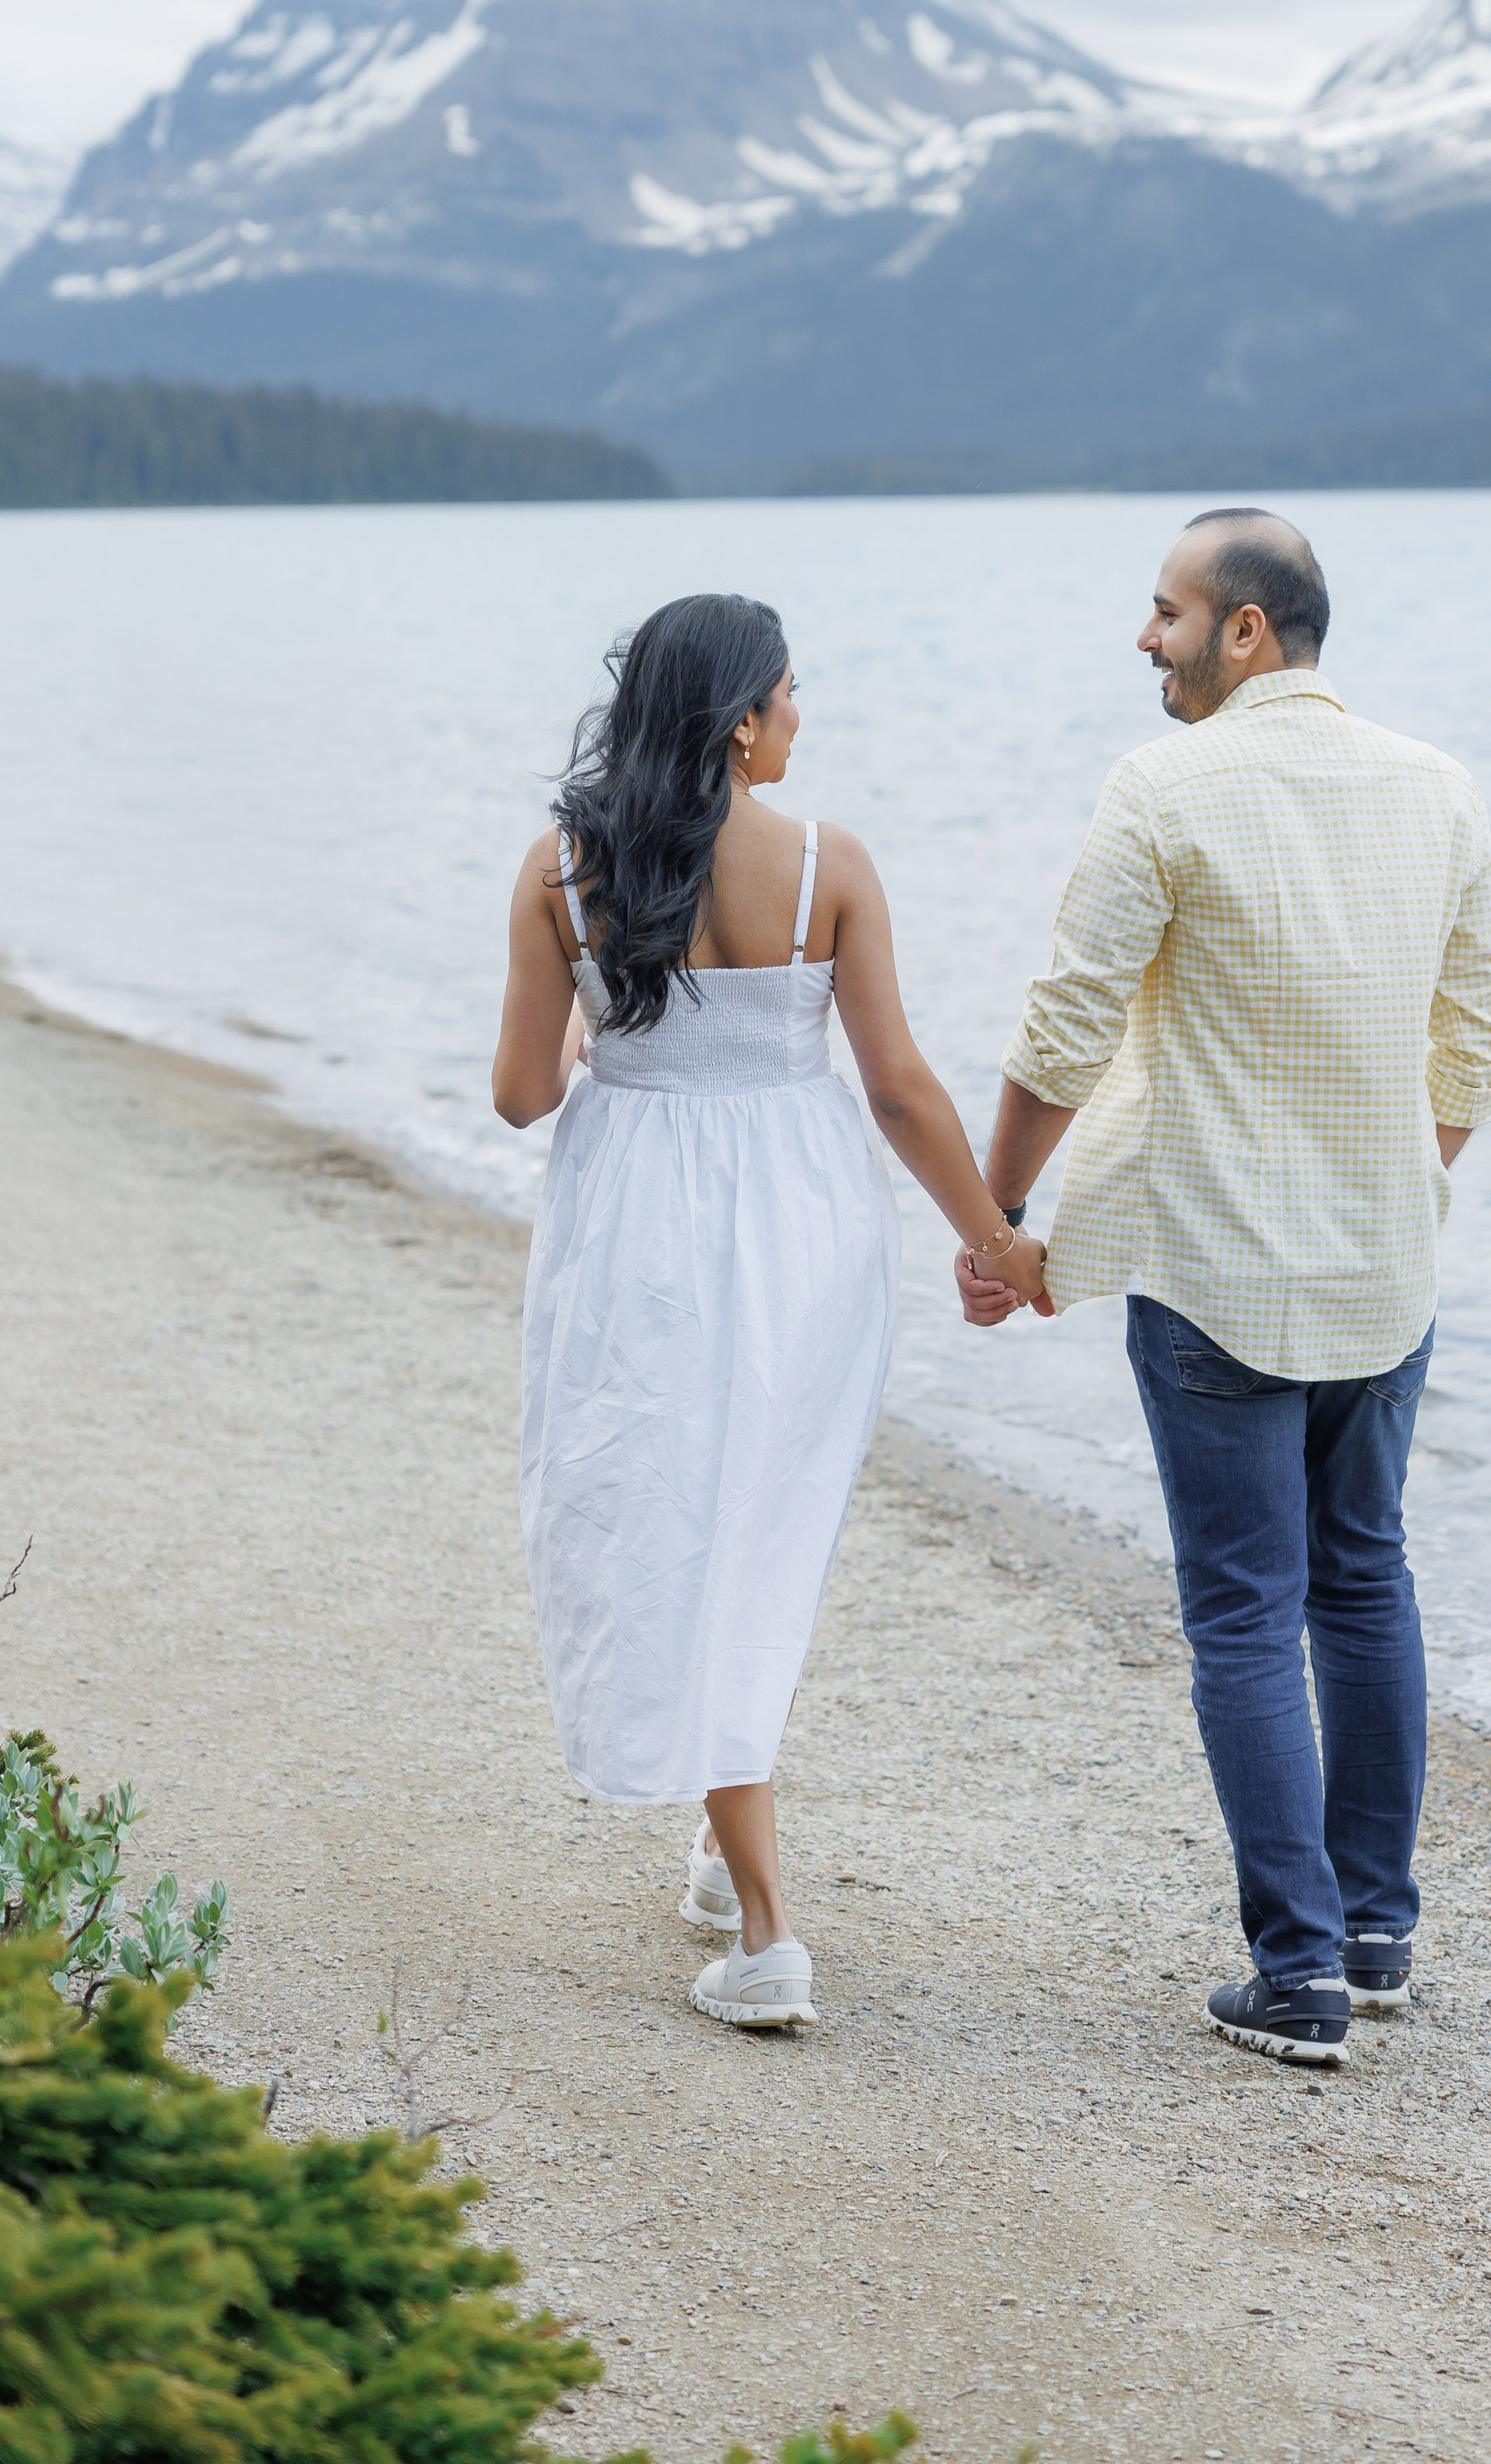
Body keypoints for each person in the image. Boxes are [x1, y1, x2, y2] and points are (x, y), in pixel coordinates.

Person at [959, 511, 1491, 2066]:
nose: (1147, 636)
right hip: (1386, 1273)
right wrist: (1399, 1178)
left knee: (1248, 1614)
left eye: (1167, 610)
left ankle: (1299, 1974)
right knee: (1365, 1579)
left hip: (1218, 1273)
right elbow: (1478, 1032)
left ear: (1249, 629)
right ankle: (1375, 1935)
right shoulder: (1440, 786)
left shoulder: (1165, 787)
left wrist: (999, 1215)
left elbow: (1065, 1029)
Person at [496, 592, 1044, 2031]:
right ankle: (745, 1886)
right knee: (759, 1525)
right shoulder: (827, 867)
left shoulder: (561, 870)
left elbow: (520, 1095)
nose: (801, 714)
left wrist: (599, 1026)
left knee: (663, 1517)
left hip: (635, 1228)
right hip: (804, 1228)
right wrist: (997, 1242)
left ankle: (762, 1923)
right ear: (741, 721)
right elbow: (900, 1090)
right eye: (788, 692)